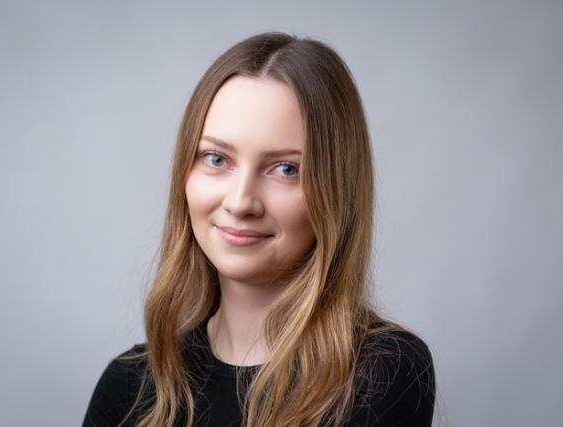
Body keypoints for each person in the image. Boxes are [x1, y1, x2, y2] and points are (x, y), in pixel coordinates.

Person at [83, 32, 435, 427]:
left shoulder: (383, 372)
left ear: (337, 190)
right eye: (216, 159)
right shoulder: (127, 387)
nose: (240, 202)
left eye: (285, 169)